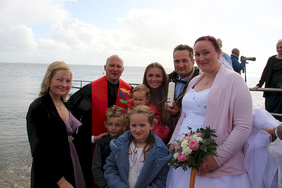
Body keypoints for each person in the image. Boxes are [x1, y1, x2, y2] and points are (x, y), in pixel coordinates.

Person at [166, 36, 253, 188]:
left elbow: (243, 126)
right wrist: (173, 142)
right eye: (197, 54)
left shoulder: (234, 80)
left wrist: (217, 158)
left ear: (219, 53)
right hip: (183, 155)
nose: (201, 58)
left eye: (206, 52)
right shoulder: (194, 81)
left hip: (215, 159)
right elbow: (184, 115)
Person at [68, 55, 132, 187]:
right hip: (93, 145)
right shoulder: (90, 89)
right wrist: (90, 138)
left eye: (118, 66)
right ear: (105, 68)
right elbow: (69, 114)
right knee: (93, 176)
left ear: (123, 69)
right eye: (111, 66)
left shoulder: (128, 91)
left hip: (120, 146)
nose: (115, 69)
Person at [26, 61, 86, 188]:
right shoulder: (38, 108)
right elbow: (38, 150)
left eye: (68, 81)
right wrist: (60, 180)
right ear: (49, 80)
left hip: (70, 161)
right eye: (59, 79)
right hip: (49, 171)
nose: (64, 85)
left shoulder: (66, 104)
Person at [104, 105, 172, 188]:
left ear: (151, 125)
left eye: (142, 125)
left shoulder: (160, 152)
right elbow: (110, 168)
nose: (137, 130)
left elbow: (161, 180)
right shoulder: (120, 145)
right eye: (134, 125)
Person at [166, 44, 202, 133]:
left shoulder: (202, 83)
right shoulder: (166, 80)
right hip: (168, 132)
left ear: (193, 62)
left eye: (184, 61)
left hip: (190, 134)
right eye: (177, 61)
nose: (180, 65)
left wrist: (178, 113)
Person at [92, 105, 127, 188]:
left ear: (124, 126)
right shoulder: (101, 143)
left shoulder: (128, 142)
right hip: (107, 184)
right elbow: (96, 168)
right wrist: (104, 185)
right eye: (110, 124)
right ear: (105, 124)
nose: (113, 128)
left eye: (117, 125)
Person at [253, 39, 282, 121]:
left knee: (279, 115)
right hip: (271, 91)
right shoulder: (271, 59)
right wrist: (259, 85)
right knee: (269, 113)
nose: (279, 49)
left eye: (281, 47)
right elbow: (265, 73)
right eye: (278, 47)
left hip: (280, 92)